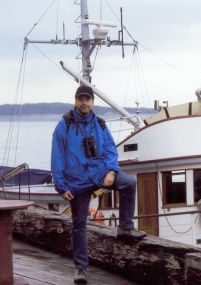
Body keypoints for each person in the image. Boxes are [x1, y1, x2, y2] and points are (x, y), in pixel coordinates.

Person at [51, 85, 147, 284]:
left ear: (92, 102)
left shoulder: (100, 124)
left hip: (100, 174)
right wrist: (61, 186)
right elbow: (57, 157)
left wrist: (111, 171)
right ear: (75, 101)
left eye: (87, 99)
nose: (84, 102)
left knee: (129, 183)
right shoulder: (64, 125)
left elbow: (112, 150)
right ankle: (80, 268)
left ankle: (125, 228)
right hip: (77, 182)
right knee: (79, 225)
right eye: (81, 99)